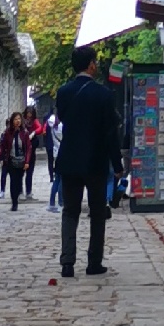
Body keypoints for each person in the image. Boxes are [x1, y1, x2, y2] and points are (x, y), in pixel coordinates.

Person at [55, 46, 125, 279]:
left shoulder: (64, 92)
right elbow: (110, 133)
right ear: (91, 65)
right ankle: (94, 261)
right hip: (96, 160)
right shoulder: (103, 95)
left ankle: (67, 262)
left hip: (70, 159)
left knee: (70, 211)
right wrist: (117, 164)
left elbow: (64, 118)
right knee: (97, 212)